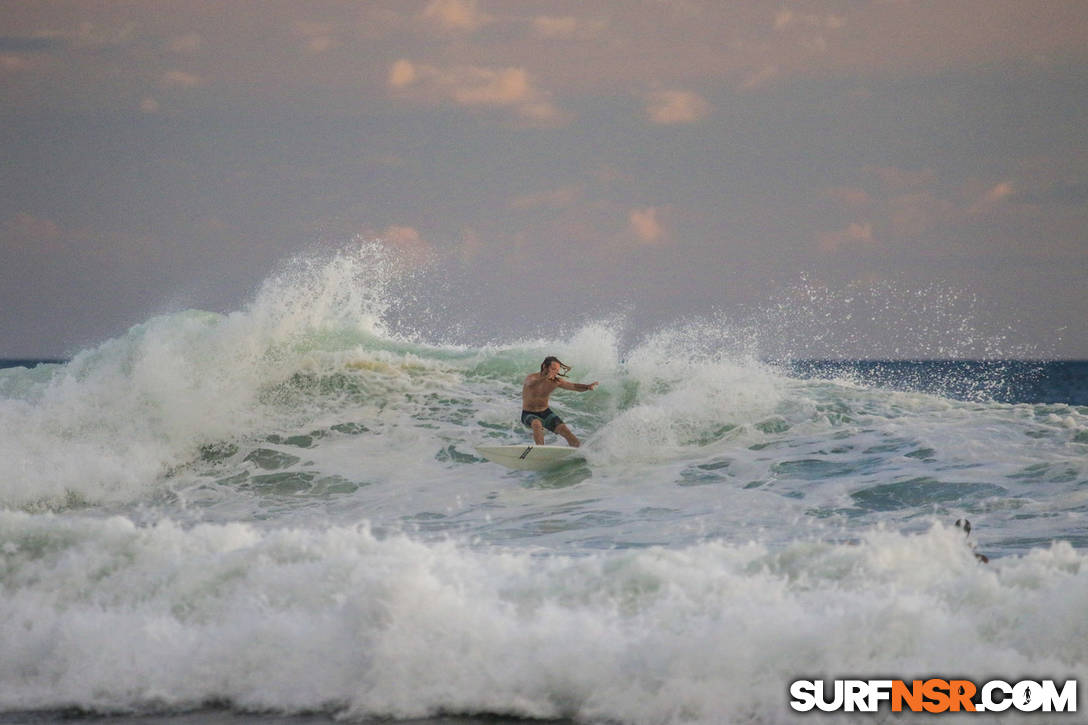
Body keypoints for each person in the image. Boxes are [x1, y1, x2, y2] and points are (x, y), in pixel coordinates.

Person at [521, 356, 598, 447]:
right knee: (537, 424)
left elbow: (574, 386)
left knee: (566, 432)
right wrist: (545, 378)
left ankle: (578, 450)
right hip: (528, 414)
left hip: (546, 413)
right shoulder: (532, 378)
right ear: (544, 366)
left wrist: (587, 387)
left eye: (557, 370)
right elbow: (531, 383)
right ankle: (540, 450)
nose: (555, 372)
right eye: (553, 369)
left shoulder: (556, 381)